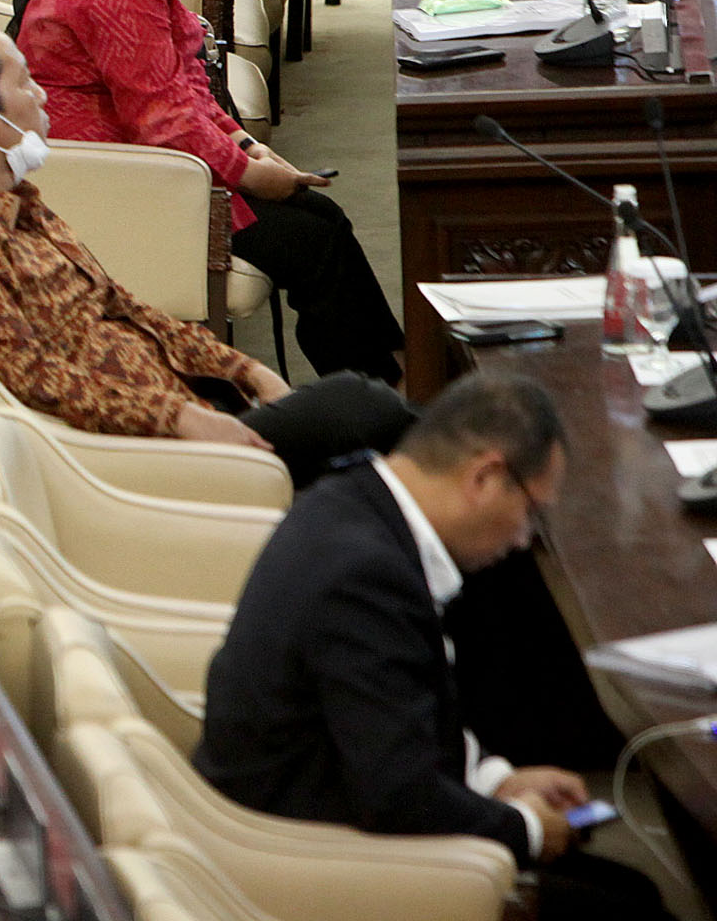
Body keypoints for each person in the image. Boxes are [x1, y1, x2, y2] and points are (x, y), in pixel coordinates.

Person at [196, 371, 672, 921]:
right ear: (486, 477)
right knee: (631, 906)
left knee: (629, 890)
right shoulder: (367, 575)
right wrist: (527, 828)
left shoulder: (350, 503)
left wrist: (496, 779)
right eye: (531, 513)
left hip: (321, 800)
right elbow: (400, 796)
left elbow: (396, 712)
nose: (524, 538)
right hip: (300, 853)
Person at [0, 5, 414, 485]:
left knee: (371, 435)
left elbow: (121, 305)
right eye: (26, 82)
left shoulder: (9, 198)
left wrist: (245, 370)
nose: (42, 95)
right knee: (363, 407)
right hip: (138, 452)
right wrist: (178, 418)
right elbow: (28, 376)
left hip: (190, 401)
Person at [10, 0, 404, 383]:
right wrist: (248, 174)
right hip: (114, 178)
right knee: (315, 239)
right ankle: (376, 393)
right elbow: (161, 120)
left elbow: (180, 80)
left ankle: (383, 379)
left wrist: (244, 145)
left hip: (148, 158)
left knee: (320, 220)